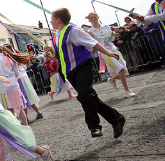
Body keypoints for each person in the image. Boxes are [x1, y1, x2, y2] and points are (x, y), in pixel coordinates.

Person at [50, 8, 126, 139]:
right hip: (70, 72)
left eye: (51, 19)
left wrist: (108, 53)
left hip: (83, 66)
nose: (50, 22)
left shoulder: (73, 30)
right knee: (90, 98)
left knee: (85, 95)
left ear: (58, 20)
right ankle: (117, 119)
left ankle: (94, 126)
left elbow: (93, 43)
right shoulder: (55, 36)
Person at [87, 12, 136, 98]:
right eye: (91, 18)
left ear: (97, 17)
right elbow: (92, 43)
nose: (93, 19)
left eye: (94, 17)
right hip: (104, 52)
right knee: (120, 69)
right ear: (89, 20)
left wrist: (111, 35)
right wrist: (92, 37)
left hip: (113, 49)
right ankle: (127, 90)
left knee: (124, 69)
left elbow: (112, 39)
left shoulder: (106, 27)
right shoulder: (90, 31)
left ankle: (112, 79)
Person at [0, 43, 28, 125]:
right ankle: (26, 125)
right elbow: (17, 72)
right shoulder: (9, 58)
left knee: (9, 110)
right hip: (14, 87)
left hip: (3, 88)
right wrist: (13, 80)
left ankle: (15, 128)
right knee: (19, 108)